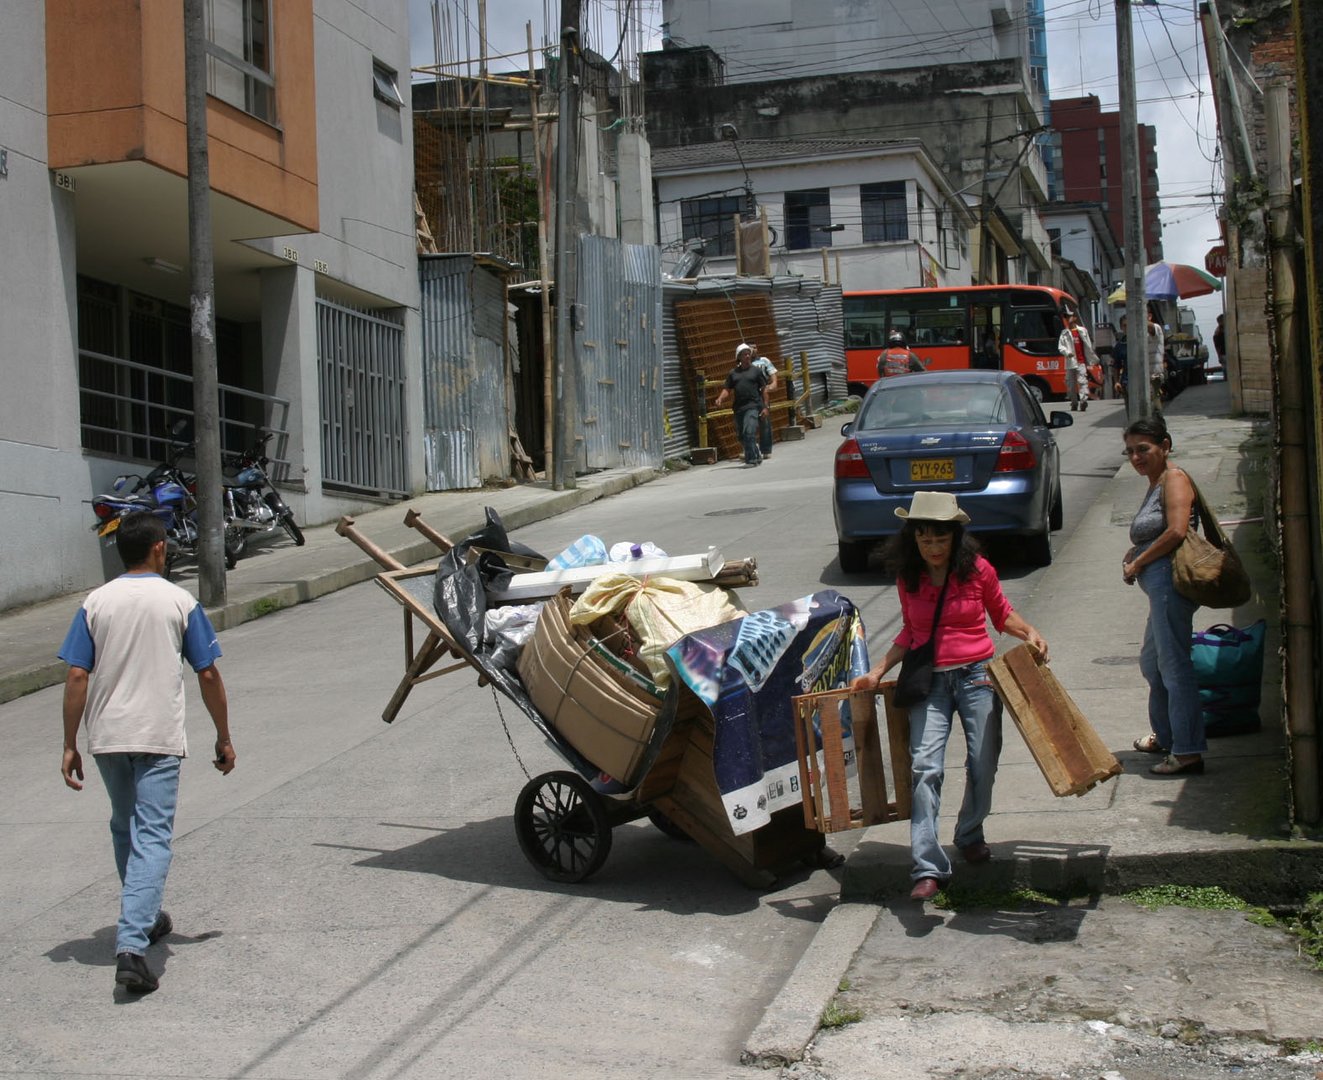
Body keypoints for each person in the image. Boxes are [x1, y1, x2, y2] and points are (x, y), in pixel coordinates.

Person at [59, 512, 236, 993]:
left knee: (125, 826)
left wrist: (69, 743)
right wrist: (223, 736)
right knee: (152, 836)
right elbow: (207, 673)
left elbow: (77, 676)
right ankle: (132, 947)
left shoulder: (95, 602)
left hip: (108, 739)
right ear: (158, 548)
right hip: (156, 738)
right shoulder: (179, 601)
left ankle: (147, 915)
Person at [850, 491, 1049, 902]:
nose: (934, 548)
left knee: (983, 759)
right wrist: (875, 671)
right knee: (925, 766)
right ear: (913, 540)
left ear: (955, 538)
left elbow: (1001, 612)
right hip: (931, 683)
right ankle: (927, 866)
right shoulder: (909, 577)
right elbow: (910, 632)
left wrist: (1029, 632)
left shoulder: (978, 570)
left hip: (978, 676)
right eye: (925, 540)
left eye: (941, 540)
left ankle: (970, 832)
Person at [1121, 416, 1206, 776]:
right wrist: (1135, 555)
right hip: (1157, 586)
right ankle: (1168, 735)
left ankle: (1187, 751)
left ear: (1165, 446)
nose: (1137, 457)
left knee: (1174, 666)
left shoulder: (1174, 478)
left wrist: (1137, 560)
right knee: (1153, 663)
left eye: (1144, 449)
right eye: (1130, 452)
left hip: (1170, 584)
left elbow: (1175, 531)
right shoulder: (1155, 482)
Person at [714, 341, 770, 466]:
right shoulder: (733, 373)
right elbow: (727, 389)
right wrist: (720, 399)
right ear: (738, 357)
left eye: (748, 354)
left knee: (749, 431)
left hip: (753, 406)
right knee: (741, 436)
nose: (747, 356)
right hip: (739, 408)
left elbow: (764, 389)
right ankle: (756, 454)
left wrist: (765, 406)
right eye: (744, 354)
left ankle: (751, 460)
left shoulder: (756, 371)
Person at [1057, 310, 1100, 412]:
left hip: (1081, 362)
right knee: (1071, 384)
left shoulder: (1082, 331)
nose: (1068, 319)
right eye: (1067, 317)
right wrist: (1067, 353)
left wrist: (1091, 358)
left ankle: (1083, 400)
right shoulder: (1064, 333)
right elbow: (1061, 347)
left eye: (1070, 316)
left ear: (1075, 318)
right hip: (1070, 362)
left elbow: (1088, 345)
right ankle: (1074, 402)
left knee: (1082, 382)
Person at [748, 345, 779, 459]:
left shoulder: (764, 361)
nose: (753, 350)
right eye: (750, 348)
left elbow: (773, 377)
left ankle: (765, 449)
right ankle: (750, 448)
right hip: (749, 395)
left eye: (755, 347)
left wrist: (770, 386)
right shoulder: (743, 364)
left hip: (761, 394)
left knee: (764, 422)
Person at [1146, 310, 1167, 404]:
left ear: (1149, 316)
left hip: (1154, 374)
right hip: (1143, 375)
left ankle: (1158, 418)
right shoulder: (1138, 334)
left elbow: (1150, 327)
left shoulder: (1156, 328)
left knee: (1154, 402)